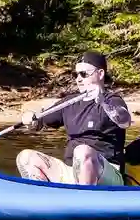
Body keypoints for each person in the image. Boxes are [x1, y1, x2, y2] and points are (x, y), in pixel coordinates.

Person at [16, 51, 132, 186]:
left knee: (82, 151)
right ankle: (43, 198)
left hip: (106, 174)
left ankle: (84, 200)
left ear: (100, 74)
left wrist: (103, 103)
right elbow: (39, 122)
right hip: (71, 172)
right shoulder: (69, 102)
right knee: (26, 157)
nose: (78, 79)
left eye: (84, 74)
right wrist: (30, 118)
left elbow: (125, 122)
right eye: (75, 75)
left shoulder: (112, 100)